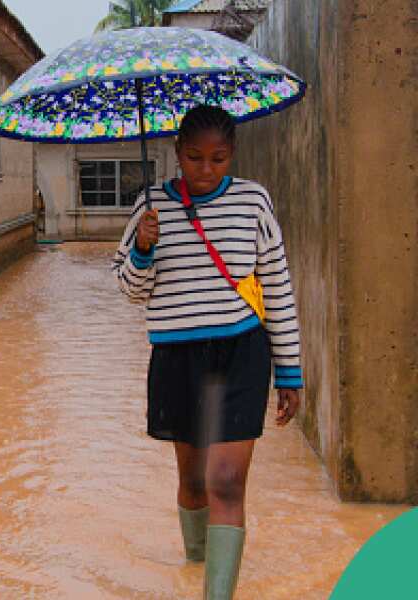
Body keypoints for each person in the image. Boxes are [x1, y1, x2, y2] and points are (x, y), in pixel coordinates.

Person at [111, 104, 304, 599]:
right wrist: (143, 249)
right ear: (177, 153)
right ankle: (196, 568)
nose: (205, 170)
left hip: (241, 353)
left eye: (218, 159)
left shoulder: (253, 202)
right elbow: (131, 292)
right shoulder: (149, 206)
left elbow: (276, 287)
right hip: (177, 357)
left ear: (231, 155)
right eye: (194, 158)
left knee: (224, 482)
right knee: (194, 483)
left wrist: (289, 371)